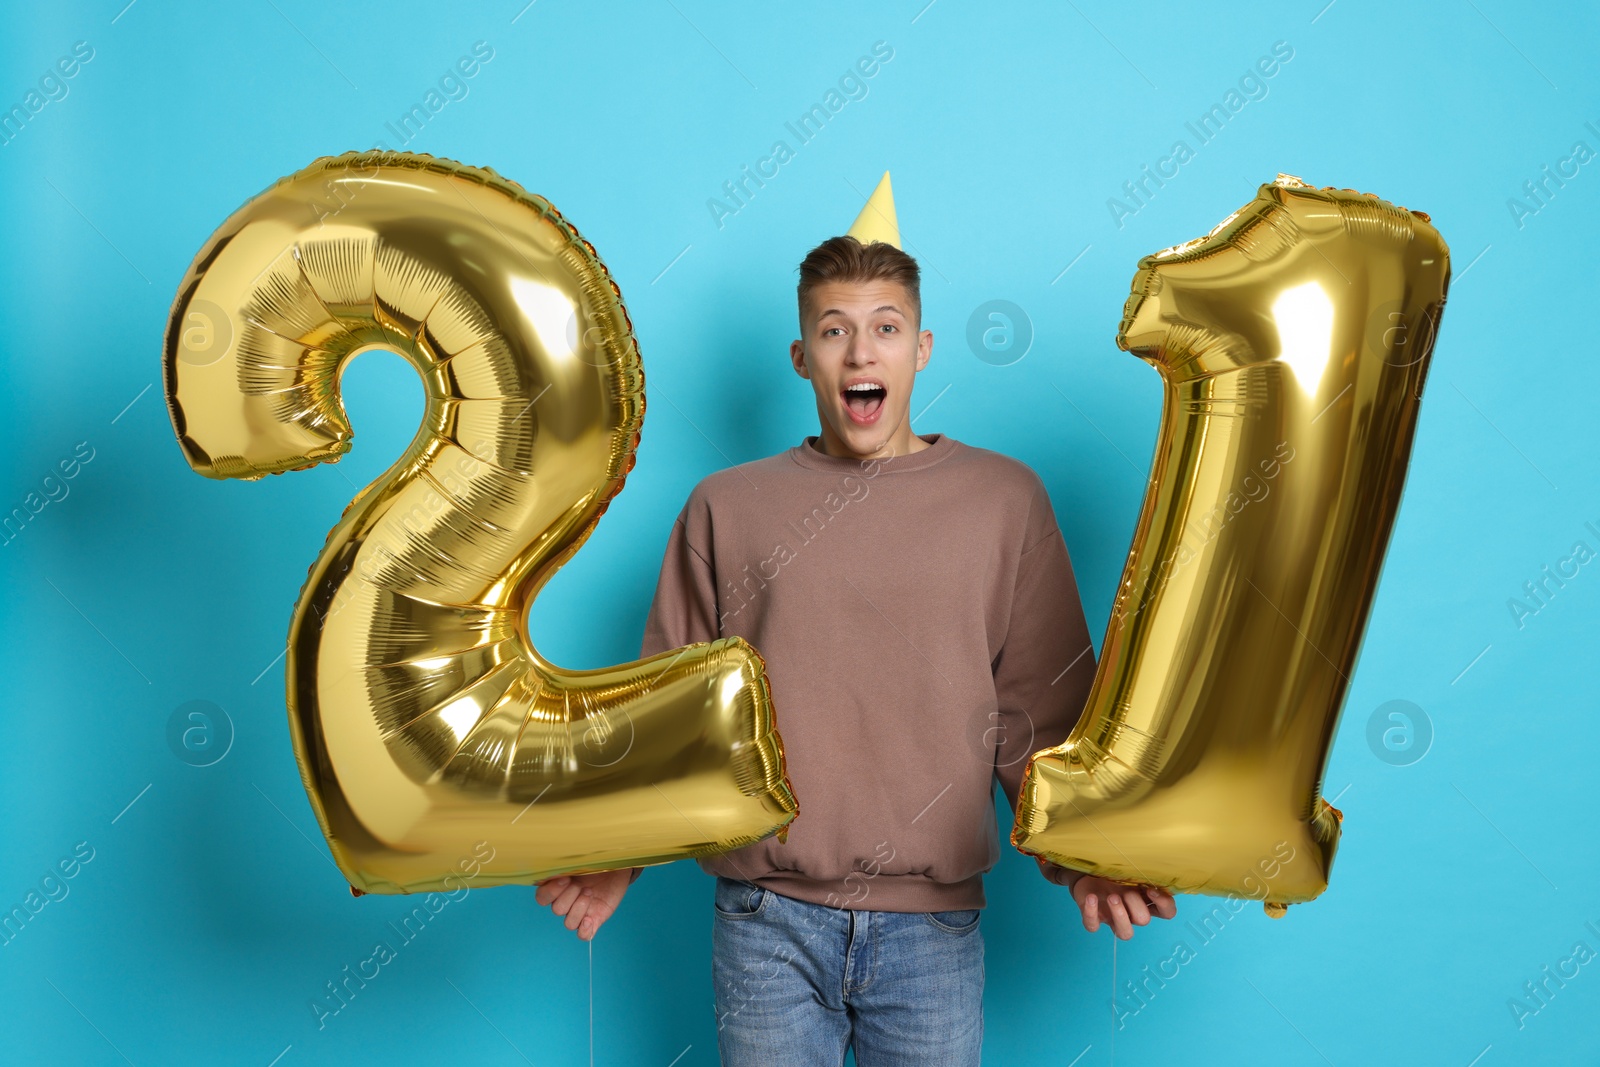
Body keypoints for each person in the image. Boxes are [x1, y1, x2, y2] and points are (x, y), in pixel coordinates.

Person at [535, 174, 1177, 1064]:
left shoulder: (1004, 500)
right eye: (834, 331)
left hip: (934, 930)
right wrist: (621, 855)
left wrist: (1087, 856)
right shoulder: (727, 506)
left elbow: (1041, 714)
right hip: (765, 921)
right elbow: (670, 714)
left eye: (883, 328)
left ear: (921, 348)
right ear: (803, 356)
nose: (859, 352)